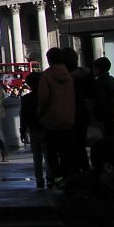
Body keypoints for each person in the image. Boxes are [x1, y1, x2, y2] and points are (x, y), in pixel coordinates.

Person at [38, 47, 76, 184]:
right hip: (68, 118)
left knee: (52, 153)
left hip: (51, 120)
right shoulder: (69, 76)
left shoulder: (46, 76)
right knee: (67, 152)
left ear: (49, 60)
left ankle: (58, 177)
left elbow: (43, 99)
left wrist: (40, 115)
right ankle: (68, 177)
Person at [20, 70, 47, 188]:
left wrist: (23, 130)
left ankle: (39, 179)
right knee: (49, 156)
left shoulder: (26, 98)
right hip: (46, 127)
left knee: (37, 157)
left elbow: (23, 116)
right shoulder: (46, 96)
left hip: (34, 129)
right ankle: (51, 178)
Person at [92, 57, 114, 139]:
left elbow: (100, 101)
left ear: (98, 69)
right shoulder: (113, 80)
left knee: (107, 139)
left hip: (105, 118)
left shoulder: (99, 83)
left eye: (94, 68)